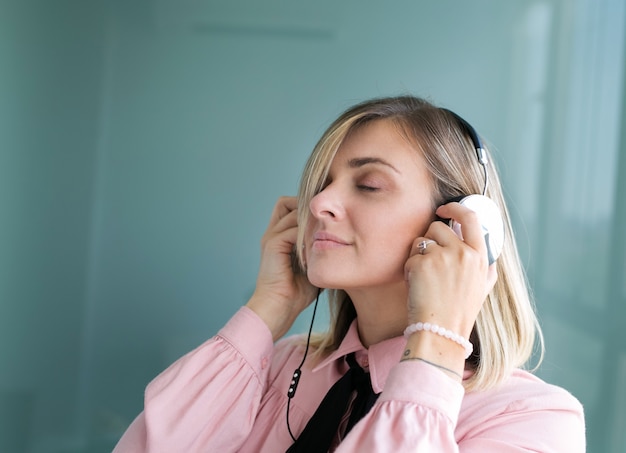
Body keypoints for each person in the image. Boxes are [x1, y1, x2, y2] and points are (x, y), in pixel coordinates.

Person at [112, 95, 585, 452]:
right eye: (322, 184)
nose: (318, 204)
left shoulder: (532, 420)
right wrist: (269, 306)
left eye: (369, 184)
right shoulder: (278, 367)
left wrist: (435, 349)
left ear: (458, 224)